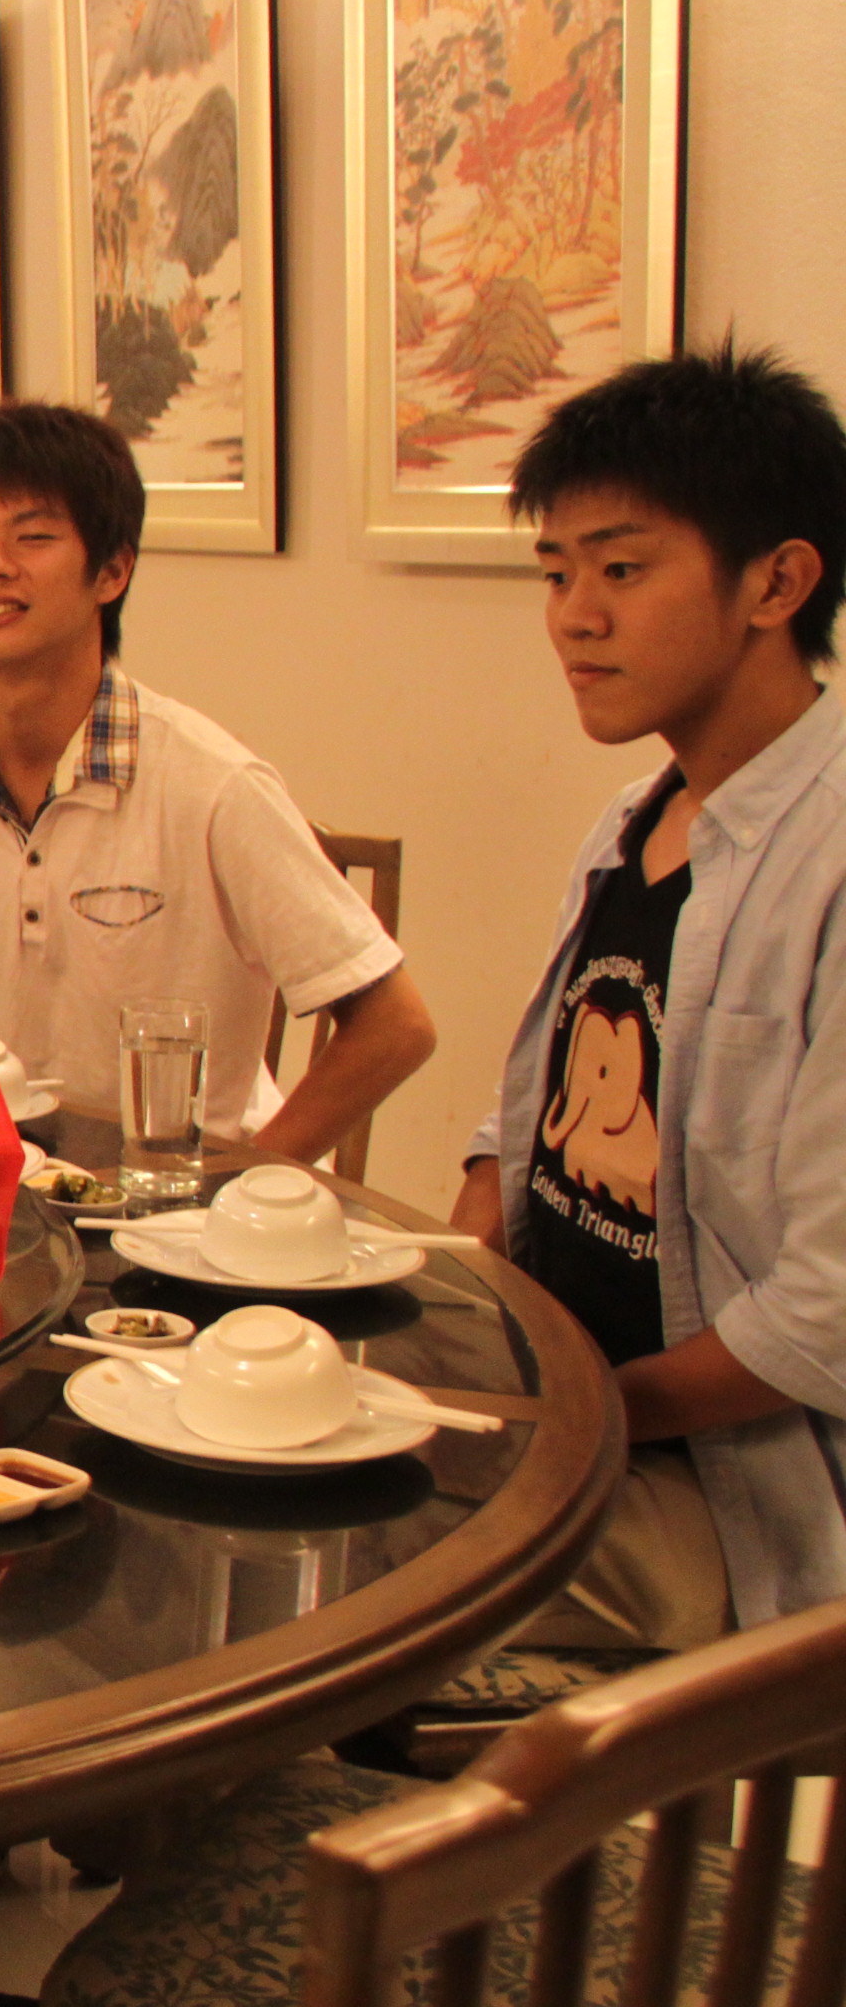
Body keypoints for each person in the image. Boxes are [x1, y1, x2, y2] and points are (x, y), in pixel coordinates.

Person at [455, 344, 846, 1643]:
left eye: (622, 570)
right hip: (573, 1419)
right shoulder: (639, 819)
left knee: (333, 1599)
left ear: (776, 583)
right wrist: (456, 1310)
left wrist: (576, 1417)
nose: (576, 616)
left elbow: (828, 1314)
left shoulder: (830, 859)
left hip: (725, 1498)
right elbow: (528, 1117)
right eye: (556, 574)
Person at [0, 401, 435, 1154]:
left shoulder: (213, 786)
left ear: (112, 570)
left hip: (173, 1193)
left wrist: (239, 1183)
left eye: (32, 536)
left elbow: (396, 1026)